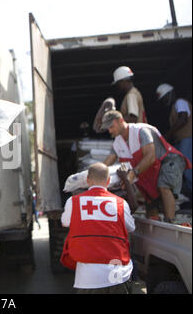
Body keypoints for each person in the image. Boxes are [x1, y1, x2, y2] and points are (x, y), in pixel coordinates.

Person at [102, 111, 192, 223]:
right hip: (152, 168)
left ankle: (170, 222)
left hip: (169, 159)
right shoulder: (117, 143)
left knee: (163, 186)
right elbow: (105, 164)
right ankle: (155, 224)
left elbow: (150, 157)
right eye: (108, 128)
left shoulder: (141, 131)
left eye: (111, 126)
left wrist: (133, 173)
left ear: (121, 121)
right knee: (149, 197)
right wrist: (90, 176)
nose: (110, 131)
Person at [60, 163, 135, 294]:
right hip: (118, 275)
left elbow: (65, 222)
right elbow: (130, 228)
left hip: (88, 279)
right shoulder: (121, 203)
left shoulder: (73, 201)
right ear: (109, 181)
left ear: (87, 180)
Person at [156, 84, 192, 195]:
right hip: (182, 140)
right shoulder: (174, 107)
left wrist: (168, 134)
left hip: (188, 138)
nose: (164, 101)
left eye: (165, 98)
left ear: (170, 94)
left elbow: (183, 119)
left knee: (188, 169)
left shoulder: (180, 102)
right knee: (179, 168)